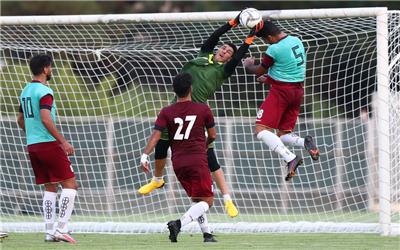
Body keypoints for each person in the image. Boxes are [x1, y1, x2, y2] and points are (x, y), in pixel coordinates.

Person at [138, 11, 264, 218]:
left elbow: (240, 55)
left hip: (196, 116)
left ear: (228, 60)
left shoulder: (222, 71)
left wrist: (250, 35)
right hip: (177, 110)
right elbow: (214, 37)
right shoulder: (202, 56)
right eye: (223, 48)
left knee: (211, 159)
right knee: (162, 144)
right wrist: (232, 23)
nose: (224, 51)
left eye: (228, 53)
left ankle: (227, 199)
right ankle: (157, 180)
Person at [140, 73, 217, 242]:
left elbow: (156, 136)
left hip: (178, 162)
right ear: (191, 89)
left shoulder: (166, 111)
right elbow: (213, 135)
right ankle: (179, 224)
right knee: (207, 201)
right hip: (197, 160)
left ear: (174, 91)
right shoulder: (203, 109)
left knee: (197, 199)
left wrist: (145, 156)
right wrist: (205, 144)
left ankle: (207, 234)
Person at [243, 20, 320, 181]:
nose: (266, 42)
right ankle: (304, 142)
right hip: (297, 91)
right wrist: (270, 79)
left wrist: (248, 65)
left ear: (270, 37)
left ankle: (290, 158)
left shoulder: (274, 49)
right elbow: (289, 68)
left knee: (260, 130)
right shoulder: (296, 40)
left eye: (265, 40)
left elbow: (259, 70)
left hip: (281, 93)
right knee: (283, 133)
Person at [17, 54, 78, 244]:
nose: (51, 70)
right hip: (48, 143)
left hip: (33, 145)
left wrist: (33, 134)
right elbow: (45, 117)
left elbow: (20, 119)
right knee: (70, 185)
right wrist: (63, 142)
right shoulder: (45, 91)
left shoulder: (25, 90)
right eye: (50, 67)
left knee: (49, 187)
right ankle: (61, 229)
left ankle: (49, 231)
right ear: (45, 68)